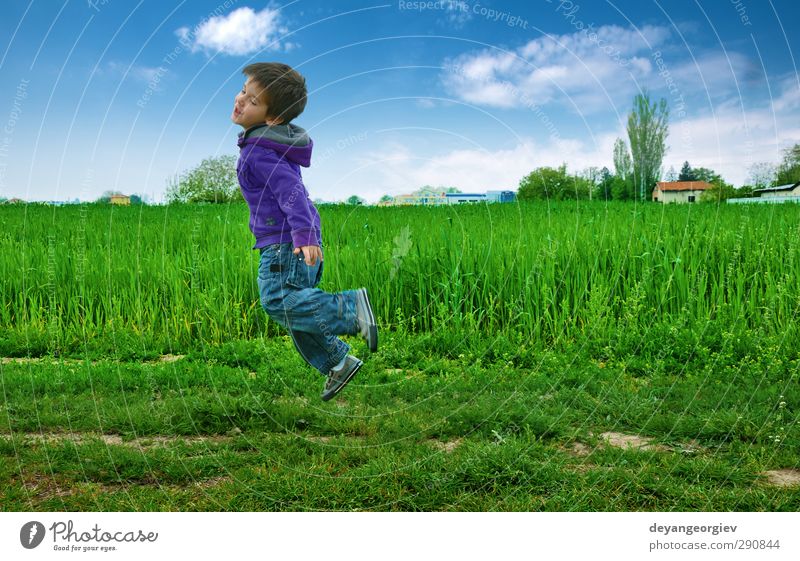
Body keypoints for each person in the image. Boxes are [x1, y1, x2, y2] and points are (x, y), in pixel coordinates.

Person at [232, 62, 377, 401]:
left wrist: (304, 236)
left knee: (277, 301)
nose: (241, 101)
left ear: (273, 119)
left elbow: (291, 193)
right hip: (294, 244)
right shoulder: (265, 146)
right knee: (299, 315)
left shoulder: (260, 153)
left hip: (287, 247)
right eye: (243, 92)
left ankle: (351, 309)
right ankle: (337, 362)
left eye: (253, 100)